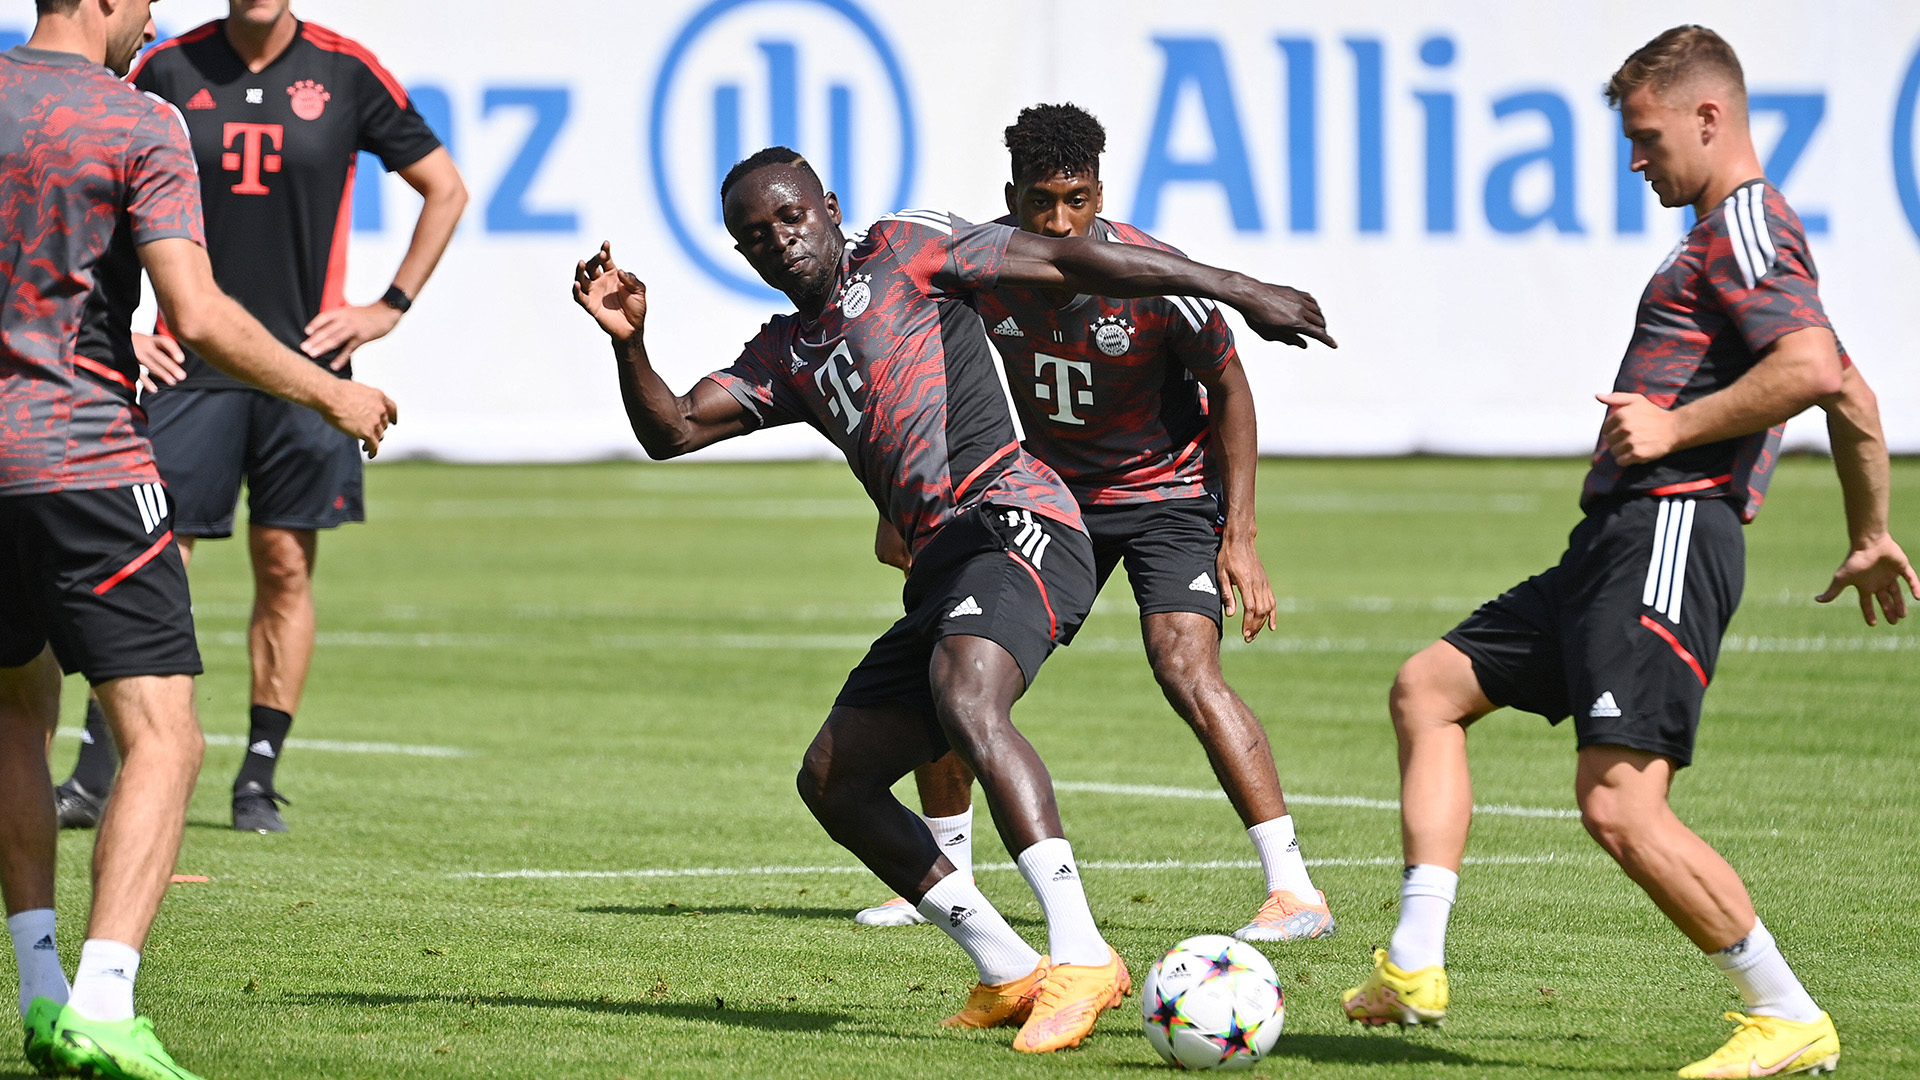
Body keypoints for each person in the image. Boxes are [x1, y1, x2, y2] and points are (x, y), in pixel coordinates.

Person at [572, 146, 1330, 1052]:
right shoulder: (786, 353)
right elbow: (673, 429)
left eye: (791, 216)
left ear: (832, 206)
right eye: (755, 235)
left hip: (1017, 519)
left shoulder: (904, 252)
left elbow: (1067, 258)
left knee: (971, 695)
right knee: (833, 780)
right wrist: (630, 343)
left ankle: (1084, 954)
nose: (780, 240)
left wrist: (1239, 287)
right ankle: (1009, 967)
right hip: (943, 565)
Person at [1338, 25, 1915, 1079]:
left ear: (1711, 116)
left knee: (1617, 801)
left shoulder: (1745, 224)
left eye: (1647, 138)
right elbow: (1854, 389)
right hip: (1616, 541)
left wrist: (1673, 428)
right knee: (1428, 687)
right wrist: (1872, 529)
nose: (1635, 160)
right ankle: (1415, 959)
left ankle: (1785, 1012)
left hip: (1671, 531)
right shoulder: (1725, 233)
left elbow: (1814, 364)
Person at [1, 0, 397, 1073]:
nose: (152, 18)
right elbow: (202, 312)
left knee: (16, 710)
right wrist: (331, 395)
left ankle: (39, 989)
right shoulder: (139, 119)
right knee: (166, 736)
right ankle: (105, 1000)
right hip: (85, 463)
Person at [852, 103, 1335, 943]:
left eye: (1078, 200)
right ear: (1012, 196)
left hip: (1167, 496)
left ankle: (1293, 889)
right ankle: (943, 871)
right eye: (1043, 203)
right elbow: (908, 382)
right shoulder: (978, 266)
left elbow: (1230, 389)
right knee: (953, 655)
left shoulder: (1153, 276)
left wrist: (1242, 537)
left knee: (1184, 664)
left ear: (1101, 191)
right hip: (1044, 500)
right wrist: (899, 506)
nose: (1062, 222)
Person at [52, 0, 466, 834]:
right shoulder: (165, 67)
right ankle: (96, 771)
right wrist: (119, 326)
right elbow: (80, 185)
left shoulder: (346, 70)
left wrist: (385, 307)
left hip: (305, 369)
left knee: (284, 565)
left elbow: (445, 189)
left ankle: (257, 777)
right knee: (151, 562)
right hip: (186, 363)